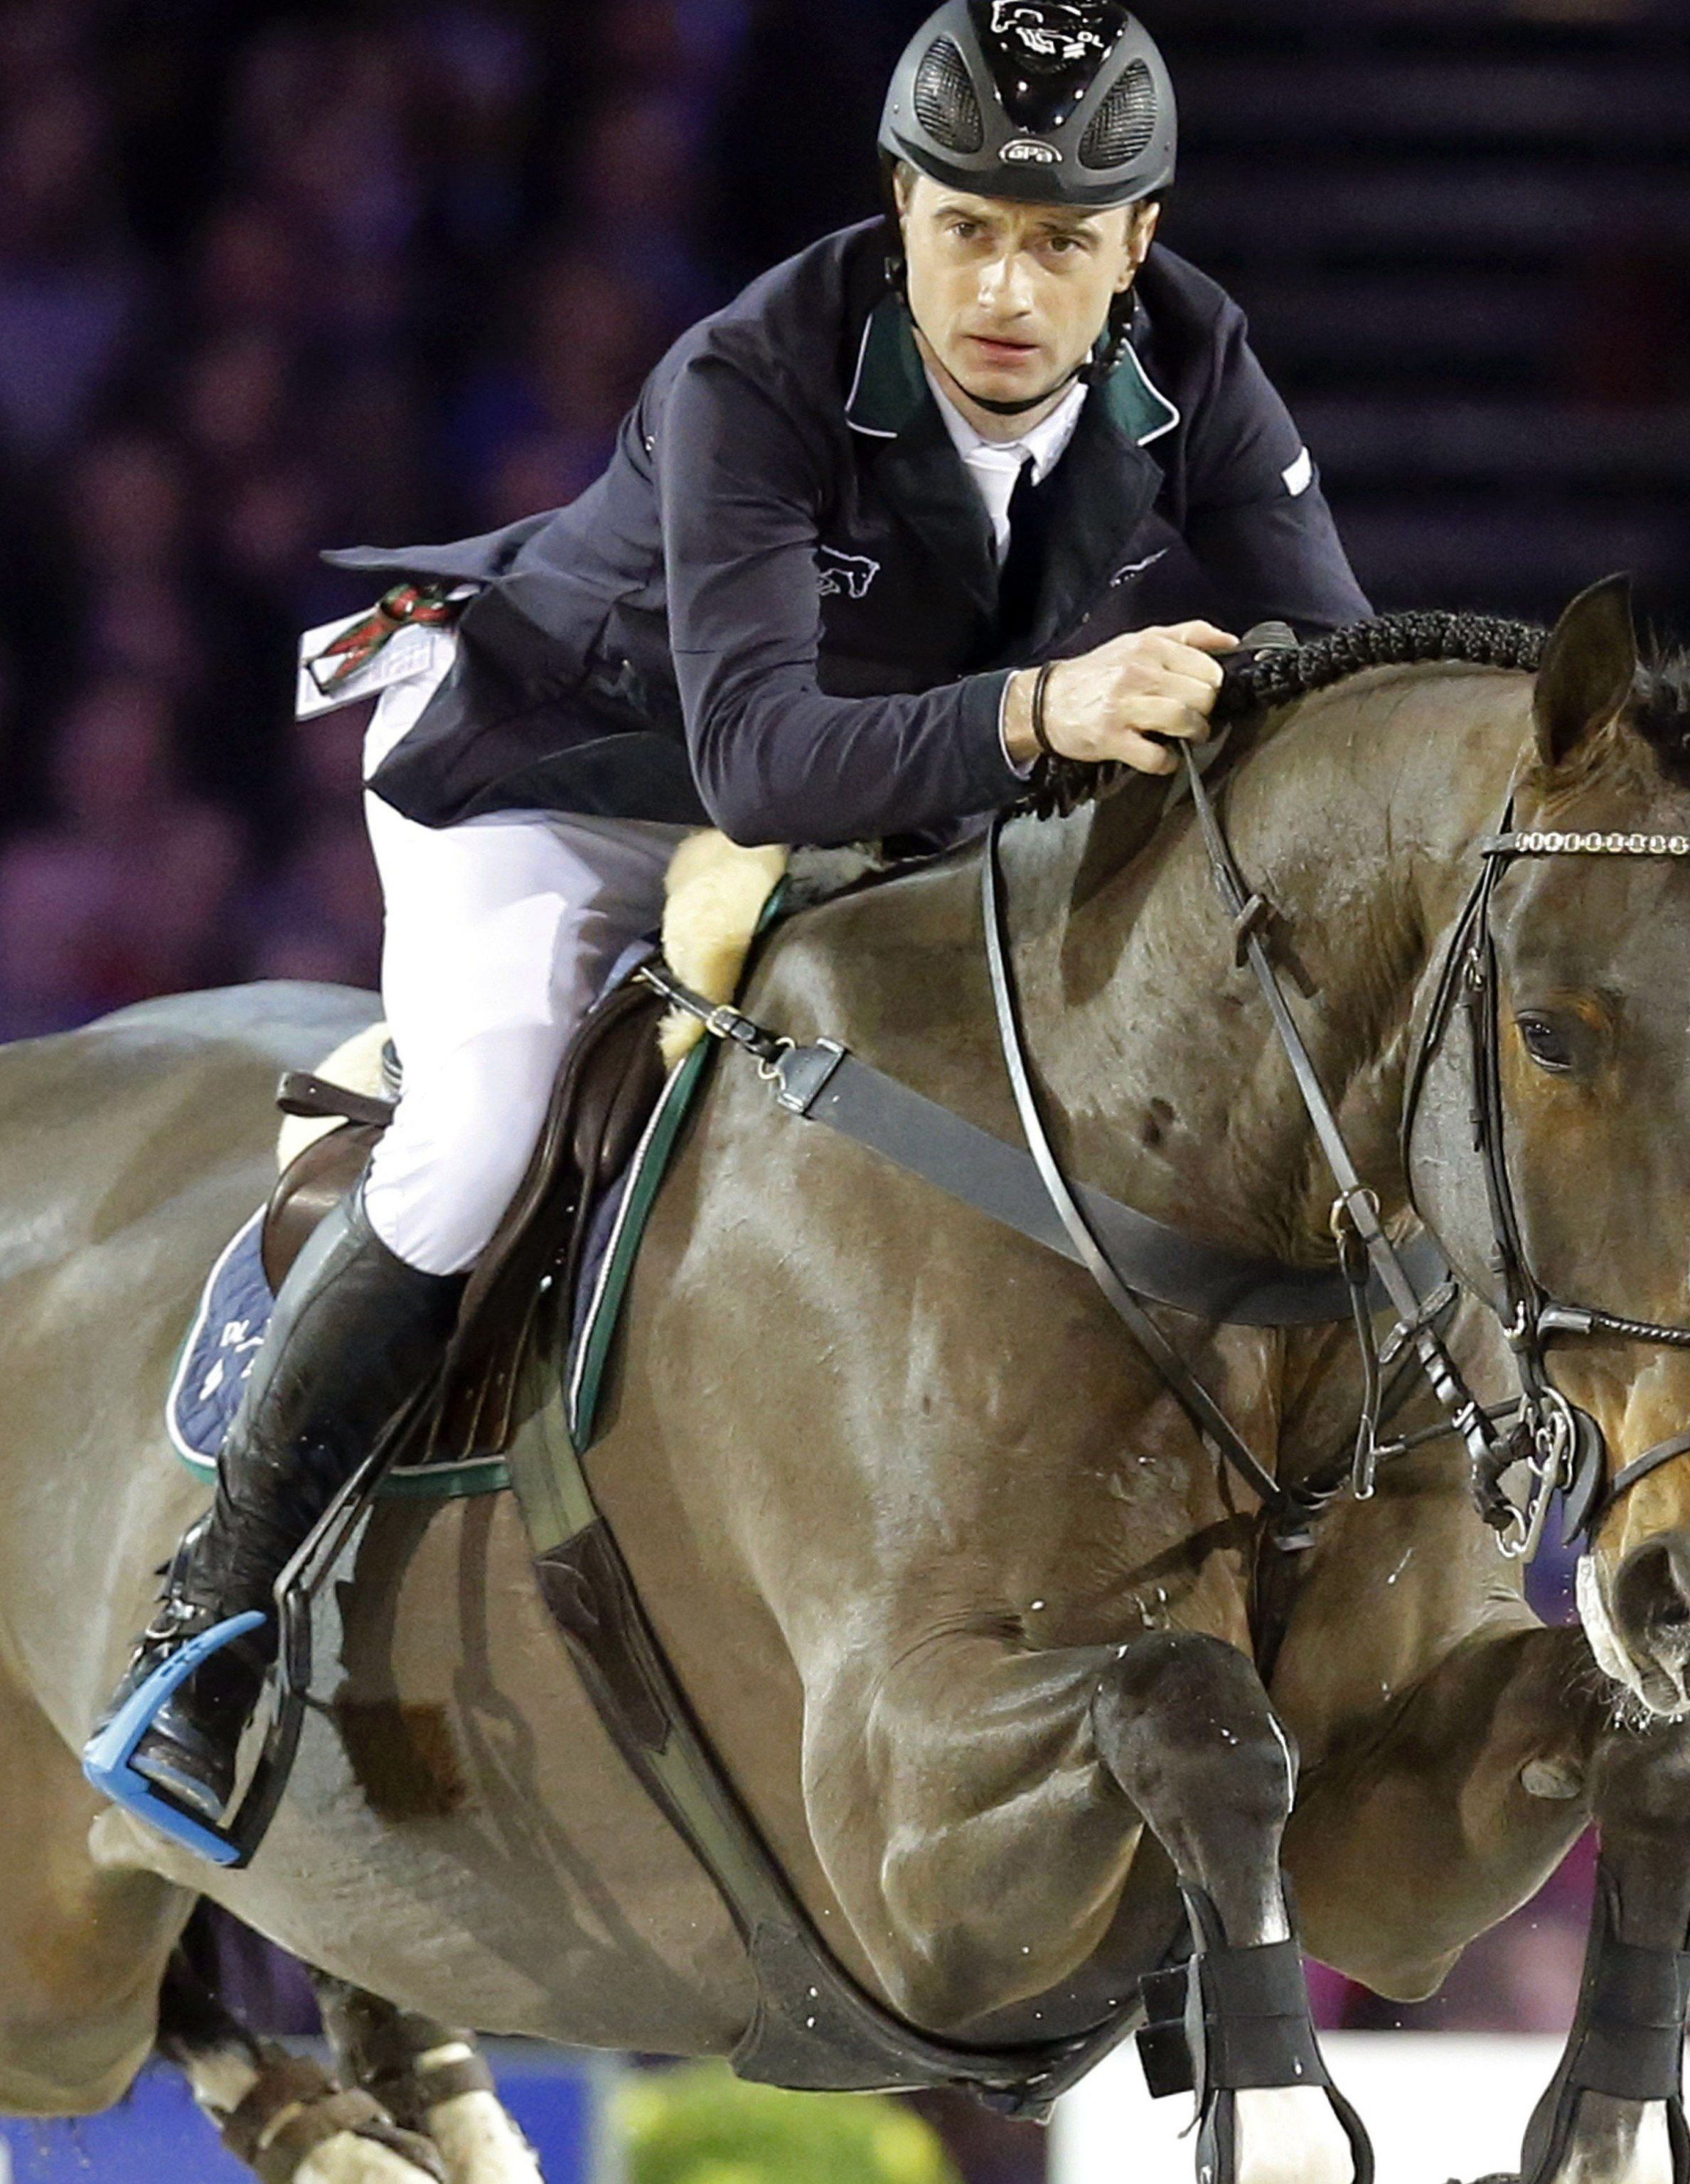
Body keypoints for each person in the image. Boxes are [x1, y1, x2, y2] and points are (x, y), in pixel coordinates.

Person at [88, 0, 1371, 1851]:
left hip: (879, 799)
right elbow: (761, 759)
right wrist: (1046, 712)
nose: (1010, 288)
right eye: (969, 231)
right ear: (901, 202)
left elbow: (1331, 668)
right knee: (474, 1153)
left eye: (1063, 242)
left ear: (1139, 243)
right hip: (554, 771)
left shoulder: (1193, 360)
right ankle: (213, 1610)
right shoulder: (754, 373)